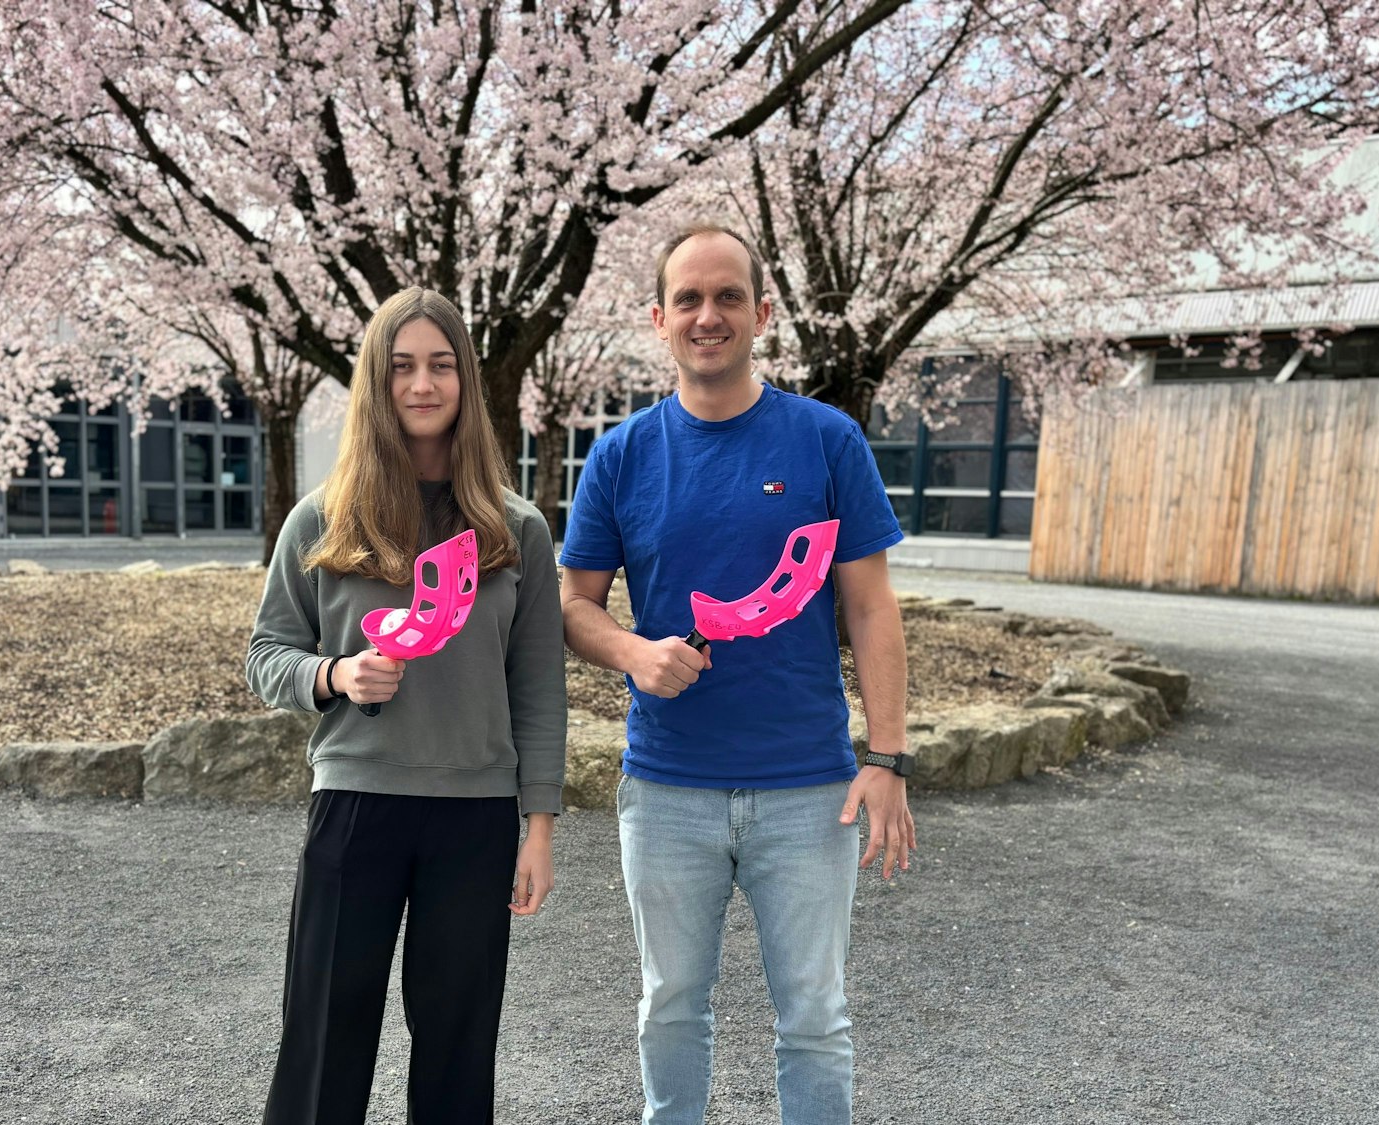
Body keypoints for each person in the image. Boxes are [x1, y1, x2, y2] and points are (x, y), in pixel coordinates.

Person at [559, 224, 915, 1124]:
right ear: (659, 318)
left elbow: (871, 607)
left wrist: (888, 757)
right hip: (667, 785)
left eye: (727, 297)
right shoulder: (621, 455)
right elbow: (573, 605)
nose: (707, 315)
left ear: (762, 313)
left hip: (809, 788)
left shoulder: (828, 441)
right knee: (670, 1007)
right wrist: (637, 653)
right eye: (688, 298)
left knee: (815, 1019)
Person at [245, 286, 567, 1125]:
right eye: (401, 369)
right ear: (375, 386)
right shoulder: (324, 519)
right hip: (357, 803)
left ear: (464, 378)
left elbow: (537, 687)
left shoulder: (516, 530)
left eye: (440, 364)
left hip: (475, 817)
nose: (422, 385)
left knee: (459, 1046)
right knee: (324, 1034)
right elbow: (266, 655)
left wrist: (538, 827)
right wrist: (335, 676)